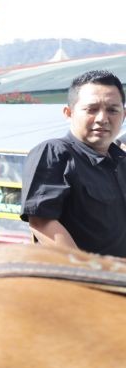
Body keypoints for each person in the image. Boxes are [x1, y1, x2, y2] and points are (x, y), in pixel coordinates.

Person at [20, 70, 126, 257]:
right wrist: (88, 271)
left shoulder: (121, 162)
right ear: (68, 113)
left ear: (123, 115)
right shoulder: (55, 153)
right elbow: (41, 222)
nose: (102, 119)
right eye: (91, 109)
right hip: (78, 280)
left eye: (112, 110)